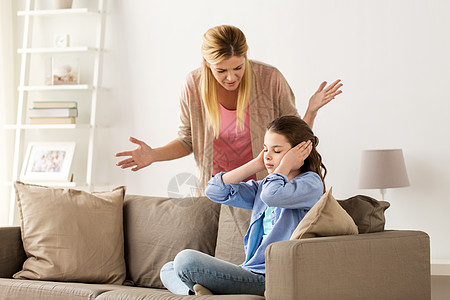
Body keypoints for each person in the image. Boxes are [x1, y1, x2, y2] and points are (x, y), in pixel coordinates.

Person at [115, 24, 341, 190]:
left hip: (262, 187)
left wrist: (311, 111)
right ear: (206, 64)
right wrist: (154, 155)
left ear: (245, 56)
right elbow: (187, 141)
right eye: (221, 71)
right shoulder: (193, 85)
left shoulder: (270, 79)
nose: (231, 78)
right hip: (217, 187)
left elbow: (297, 139)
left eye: (238, 67)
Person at [159, 115, 327, 295]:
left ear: (300, 153)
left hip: (272, 277)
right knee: (168, 268)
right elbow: (214, 191)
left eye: (277, 151)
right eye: (265, 149)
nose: (268, 156)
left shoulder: (310, 184)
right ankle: (197, 294)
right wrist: (256, 164)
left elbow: (272, 196)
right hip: (249, 270)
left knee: (186, 261)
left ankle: (201, 292)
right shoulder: (263, 187)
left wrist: (284, 165)